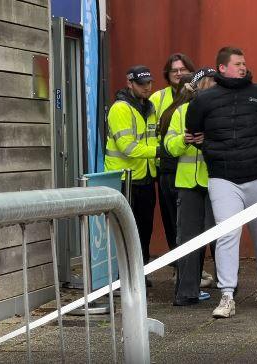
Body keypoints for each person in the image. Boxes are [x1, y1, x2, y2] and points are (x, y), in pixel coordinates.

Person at [186, 46, 257, 318]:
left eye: (244, 63)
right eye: (237, 63)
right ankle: (227, 295)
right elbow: (194, 131)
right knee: (227, 234)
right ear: (222, 68)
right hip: (222, 178)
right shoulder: (204, 100)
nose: (243, 67)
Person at [165, 68, 218, 306]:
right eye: (204, 85)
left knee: (220, 237)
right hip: (188, 184)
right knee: (187, 238)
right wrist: (183, 140)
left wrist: (208, 141)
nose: (208, 90)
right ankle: (186, 292)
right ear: (195, 88)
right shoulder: (181, 112)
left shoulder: (222, 111)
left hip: (217, 182)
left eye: (213, 86)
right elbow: (169, 145)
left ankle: (228, 288)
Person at [104, 66, 159, 285]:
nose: (147, 87)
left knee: (144, 229)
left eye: (149, 83)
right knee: (126, 229)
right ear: (130, 83)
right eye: (141, 83)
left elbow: (152, 139)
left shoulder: (150, 107)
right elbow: (126, 146)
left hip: (145, 175)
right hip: (124, 178)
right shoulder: (120, 109)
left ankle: (140, 272)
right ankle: (123, 277)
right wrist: (158, 152)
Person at [151, 54, 196, 259]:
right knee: (172, 222)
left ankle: (190, 267)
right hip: (167, 166)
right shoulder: (157, 98)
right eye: (174, 70)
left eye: (183, 70)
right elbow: (149, 133)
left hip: (191, 167)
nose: (179, 74)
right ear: (167, 75)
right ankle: (180, 265)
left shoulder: (199, 96)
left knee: (189, 221)